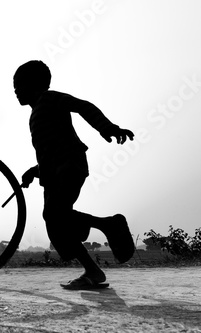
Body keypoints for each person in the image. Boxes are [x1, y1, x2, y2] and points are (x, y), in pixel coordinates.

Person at [13, 60, 135, 290]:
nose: (16, 90)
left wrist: (107, 127)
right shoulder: (36, 114)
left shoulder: (49, 99)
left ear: (35, 84)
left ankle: (108, 225)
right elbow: (49, 153)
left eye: (20, 84)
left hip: (69, 166)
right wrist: (35, 171)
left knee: (55, 213)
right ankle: (93, 271)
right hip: (52, 174)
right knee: (55, 224)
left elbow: (83, 106)